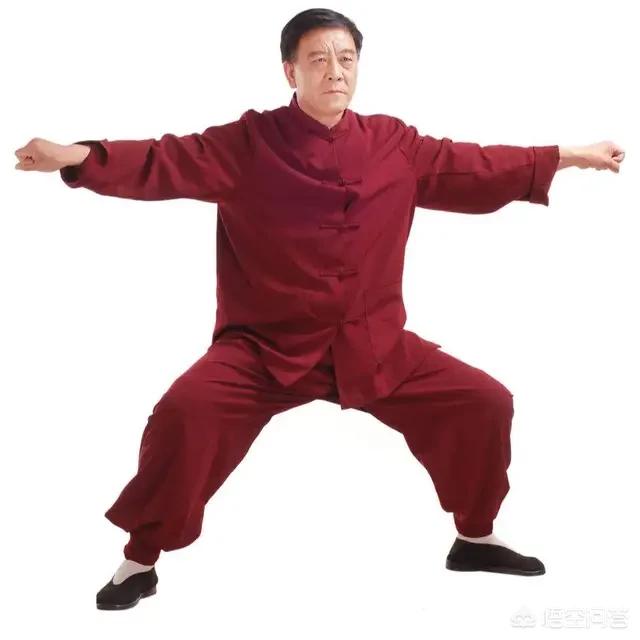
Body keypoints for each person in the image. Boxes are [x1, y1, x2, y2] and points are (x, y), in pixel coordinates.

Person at [15, 7, 625, 611]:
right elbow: (162, 158)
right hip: (264, 348)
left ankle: (475, 537)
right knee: (184, 414)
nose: (335, 70)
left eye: (346, 58)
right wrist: (76, 155)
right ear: (291, 71)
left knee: (484, 402)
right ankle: (140, 559)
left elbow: (474, 163)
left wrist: (569, 155)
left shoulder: (393, 143)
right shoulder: (247, 144)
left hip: (374, 344)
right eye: (318, 59)